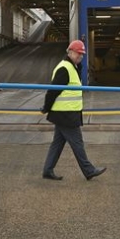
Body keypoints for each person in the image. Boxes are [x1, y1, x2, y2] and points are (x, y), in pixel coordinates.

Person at [41, 40, 107, 181]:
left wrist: (79, 66)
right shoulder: (64, 68)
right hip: (65, 114)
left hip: (67, 113)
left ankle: (47, 170)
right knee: (77, 143)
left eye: (82, 54)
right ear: (70, 52)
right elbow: (52, 91)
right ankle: (88, 170)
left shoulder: (72, 67)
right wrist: (46, 107)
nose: (80, 56)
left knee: (57, 143)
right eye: (78, 53)